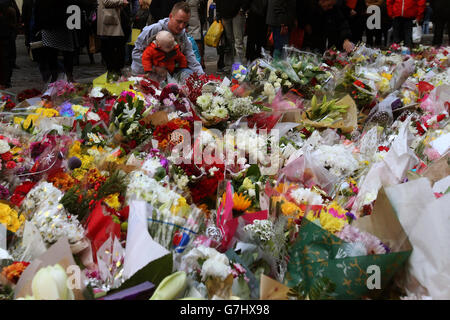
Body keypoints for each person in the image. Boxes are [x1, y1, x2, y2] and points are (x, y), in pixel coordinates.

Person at [131, 2, 204, 82]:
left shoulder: (183, 36)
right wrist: (153, 69)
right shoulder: (153, 30)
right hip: (146, 72)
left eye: (185, 23)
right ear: (171, 16)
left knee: (189, 75)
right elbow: (136, 52)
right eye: (179, 21)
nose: (181, 26)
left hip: (170, 72)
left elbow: (192, 59)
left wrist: (203, 77)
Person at [34, 0, 85, 83]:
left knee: (56, 52)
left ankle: (59, 77)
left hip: (57, 24)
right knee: (58, 53)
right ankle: (61, 77)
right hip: (55, 24)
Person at [97, 0, 132, 81]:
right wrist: (121, 2)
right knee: (111, 47)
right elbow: (107, 2)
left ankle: (115, 70)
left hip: (115, 19)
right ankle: (113, 71)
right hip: (110, 20)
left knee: (117, 46)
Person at [216, 0, 248, 69]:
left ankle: (240, 67)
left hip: (237, 13)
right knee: (230, 42)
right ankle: (232, 66)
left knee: (238, 42)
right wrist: (219, 11)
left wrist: (243, 8)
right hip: (225, 13)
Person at [0, 0, 15, 88]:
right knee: (6, 61)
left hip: (4, 42)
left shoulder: (2, 18)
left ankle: (4, 82)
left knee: (4, 62)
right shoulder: (9, 10)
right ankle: (6, 81)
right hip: (7, 40)